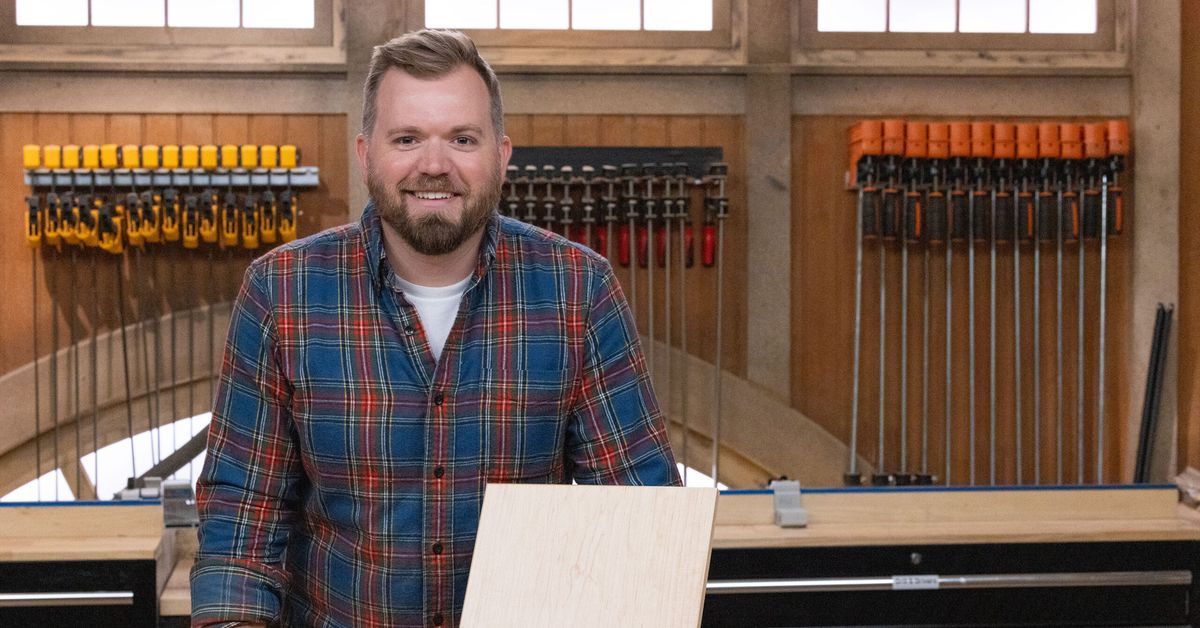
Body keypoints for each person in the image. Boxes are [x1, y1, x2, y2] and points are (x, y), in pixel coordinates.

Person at [190, 29, 680, 627]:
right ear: (366, 152)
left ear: (501, 155)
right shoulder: (281, 291)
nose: (434, 165)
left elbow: (640, 520)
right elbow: (244, 517)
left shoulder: (579, 289)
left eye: (462, 138)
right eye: (407, 138)